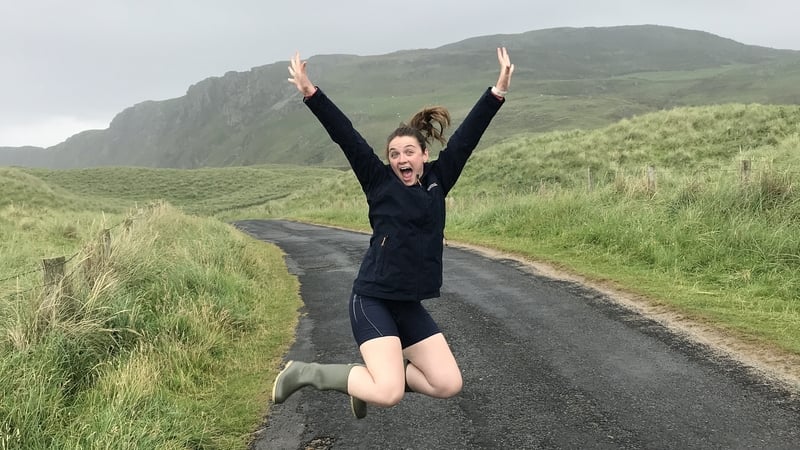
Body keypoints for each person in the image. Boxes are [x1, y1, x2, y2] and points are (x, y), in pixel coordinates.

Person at [273, 48, 514, 419]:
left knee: (448, 383)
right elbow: (346, 136)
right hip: (373, 298)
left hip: (407, 303)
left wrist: (496, 93)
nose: (401, 159)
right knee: (388, 394)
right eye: (394, 154)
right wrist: (311, 93)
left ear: (423, 155)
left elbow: (466, 139)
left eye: (408, 152)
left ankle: (370, 378)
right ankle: (308, 372)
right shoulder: (378, 182)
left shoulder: (438, 180)